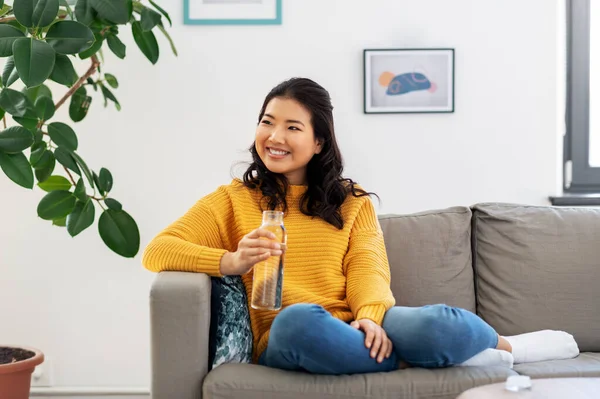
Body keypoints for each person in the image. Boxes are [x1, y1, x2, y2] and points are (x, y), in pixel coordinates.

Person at [142, 77, 579, 375]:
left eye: (292, 127)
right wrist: (231, 260)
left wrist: (370, 319)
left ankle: (506, 347)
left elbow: (369, 268)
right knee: (297, 323)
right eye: (267, 122)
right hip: (292, 334)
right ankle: (425, 360)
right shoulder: (233, 200)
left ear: (318, 143)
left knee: (436, 324)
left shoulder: (352, 204)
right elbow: (158, 251)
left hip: (359, 326)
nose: (274, 136)